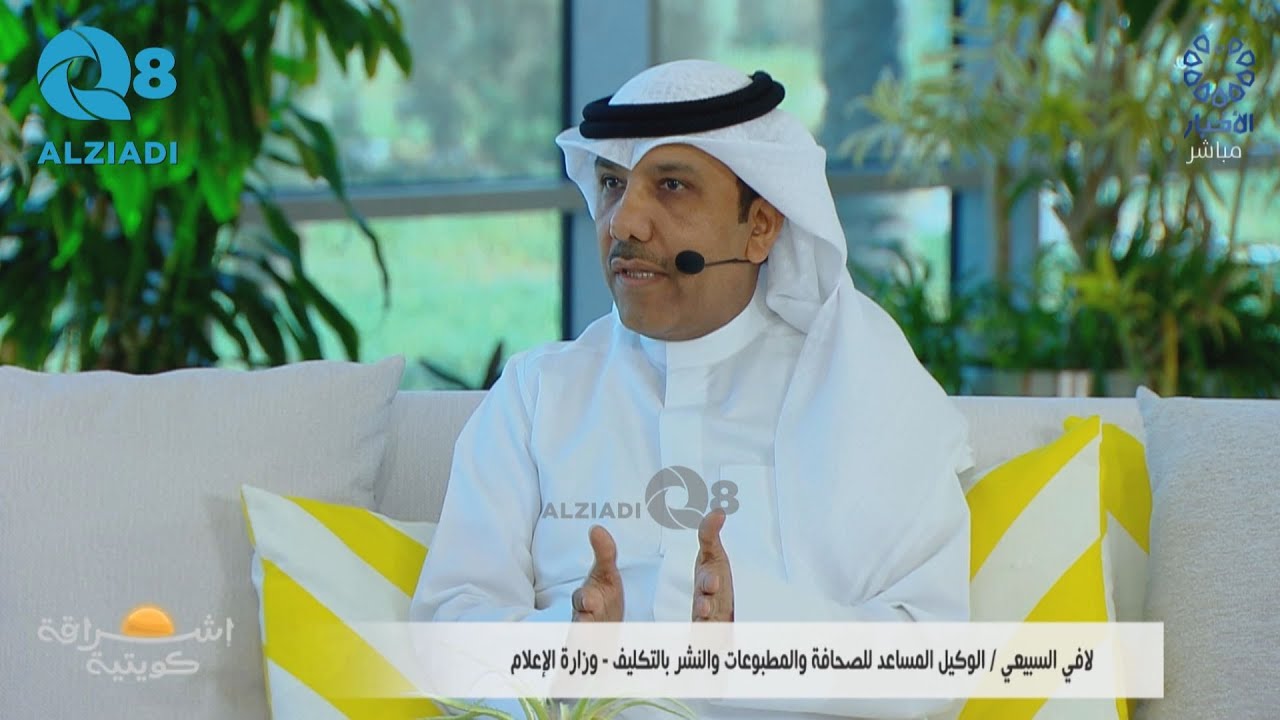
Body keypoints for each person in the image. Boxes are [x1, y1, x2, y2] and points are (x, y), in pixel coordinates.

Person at [411, 59, 973, 719]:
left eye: (671, 186)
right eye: (612, 184)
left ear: (760, 227)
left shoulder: (867, 391)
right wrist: (567, 646)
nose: (625, 223)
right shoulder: (538, 396)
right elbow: (447, 630)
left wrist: (747, 631)